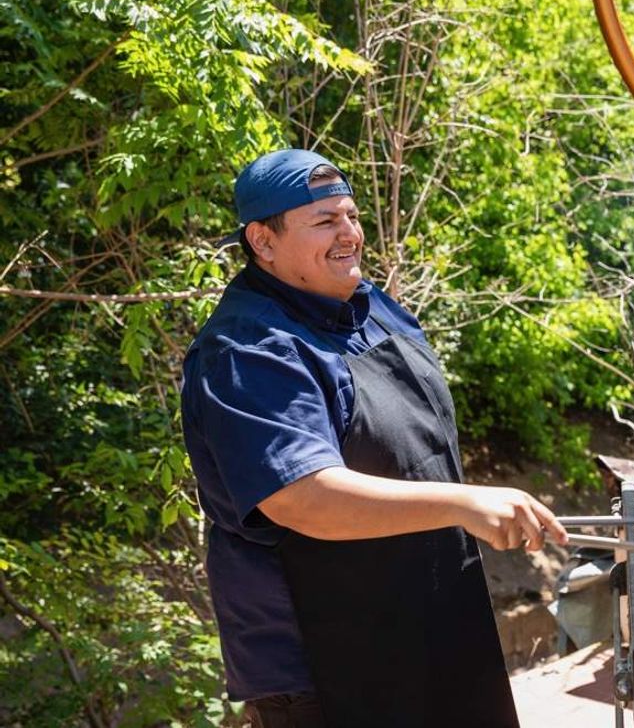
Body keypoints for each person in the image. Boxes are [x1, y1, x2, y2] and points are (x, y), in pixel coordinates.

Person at [180, 148, 568, 728]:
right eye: (325, 221)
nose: (350, 234)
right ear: (262, 241)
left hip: (430, 626)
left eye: (352, 217)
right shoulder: (247, 349)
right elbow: (304, 497)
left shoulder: (371, 307)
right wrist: (465, 503)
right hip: (328, 668)